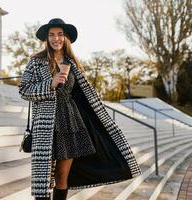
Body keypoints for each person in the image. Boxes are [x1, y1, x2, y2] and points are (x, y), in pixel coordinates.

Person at [19, 18, 141, 200]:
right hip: (47, 125)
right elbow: (24, 89)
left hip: (71, 123)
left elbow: (84, 94)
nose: (56, 39)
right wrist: (49, 84)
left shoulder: (73, 63)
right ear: (46, 39)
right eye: (51, 35)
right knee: (42, 180)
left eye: (60, 34)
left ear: (65, 38)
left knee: (62, 178)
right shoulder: (36, 62)